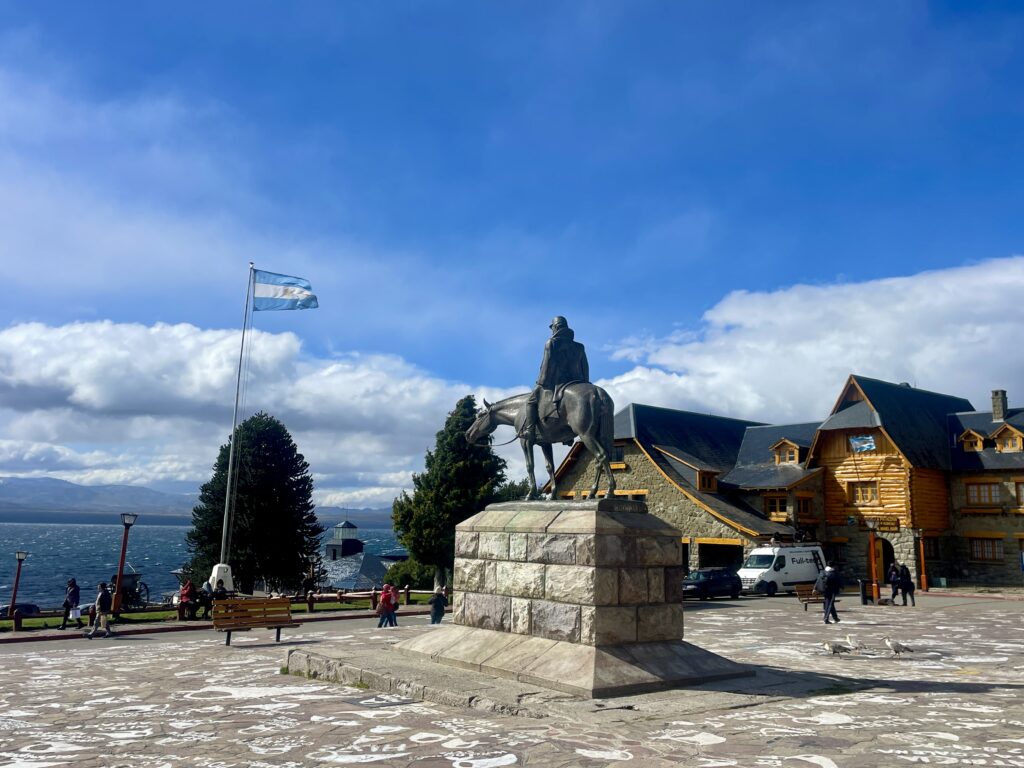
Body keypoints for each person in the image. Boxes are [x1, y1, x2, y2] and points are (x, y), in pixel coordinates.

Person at [522, 316, 589, 444]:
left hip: (557, 383)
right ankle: (569, 436)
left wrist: (540, 383)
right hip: (578, 383)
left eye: (552, 327)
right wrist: (585, 384)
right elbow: (585, 368)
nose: (551, 330)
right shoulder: (580, 346)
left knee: (530, 401)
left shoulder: (551, 343)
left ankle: (529, 431)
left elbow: (547, 366)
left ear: (556, 327)